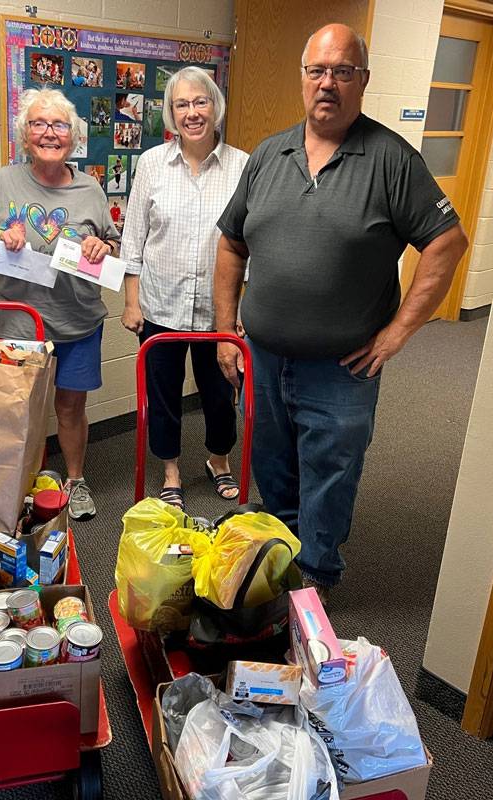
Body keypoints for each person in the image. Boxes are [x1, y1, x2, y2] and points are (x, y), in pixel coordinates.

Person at [214, 24, 468, 602]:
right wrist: (225, 330)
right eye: (317, 71)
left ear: (362, 81)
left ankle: (319, 578)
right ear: (303, 78)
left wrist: (399, 331)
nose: (327, 84)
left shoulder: (392, 160)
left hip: (343, 367)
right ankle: (279, 556)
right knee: (272, 463)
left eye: (342, 72)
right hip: (264, 354)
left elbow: (447, 243)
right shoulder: (268, 155)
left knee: (330, 471)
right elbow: (231, 242)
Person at [0, 87, 119, 520]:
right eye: (38, 124)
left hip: (78, 320)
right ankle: (21, 483)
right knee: (18, 406)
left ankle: (76, 481)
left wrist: (101, 246)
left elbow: (112, 244)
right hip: (20, 323)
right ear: (24, 136)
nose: (49, 133)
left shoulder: (90, 188)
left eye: (59, 125)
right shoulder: (1, 181)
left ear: (73, 137)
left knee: (70, 407)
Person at [120, 66, 249, 511]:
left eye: (200, 102)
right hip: (160, 306)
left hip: (219, 313)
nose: (191, 112)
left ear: (215, 106)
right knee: (163, 396)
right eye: (181, 104)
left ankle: (218, 459)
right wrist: (131, 300)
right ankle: (171, 470)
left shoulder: (242, 165)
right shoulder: (153, 164)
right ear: (170, 114)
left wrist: (240, 310)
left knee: (219, 393)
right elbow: (133, 236)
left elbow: (252, 241)